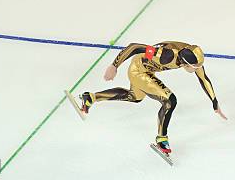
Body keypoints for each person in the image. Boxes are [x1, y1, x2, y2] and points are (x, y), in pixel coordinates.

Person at [78, 41, 227, 155]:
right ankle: (162, 140)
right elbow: (135, 47)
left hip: (146, 70)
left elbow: (203, 78)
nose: (198, 68)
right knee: (170, 101)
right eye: (195, 66)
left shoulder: (189, 53)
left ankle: (90, 98)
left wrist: (214, 102)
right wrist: (114, 65)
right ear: (184, 63)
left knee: (134, 97)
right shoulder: (165, 55)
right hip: (139, 71)